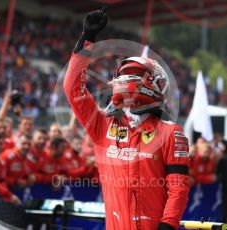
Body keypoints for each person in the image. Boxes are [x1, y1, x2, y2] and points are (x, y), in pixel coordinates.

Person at [63, 8, 190, 230]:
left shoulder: (171, 132)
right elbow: (73, 89)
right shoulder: (102, 126)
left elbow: (178, 187)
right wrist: (86, 40)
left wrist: (168, 225)